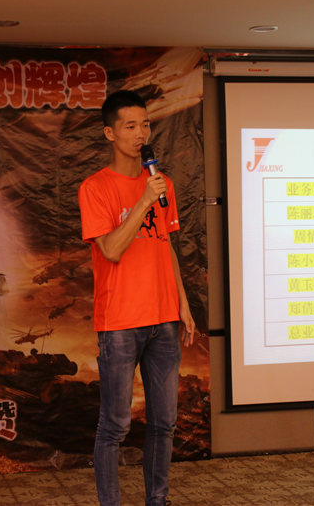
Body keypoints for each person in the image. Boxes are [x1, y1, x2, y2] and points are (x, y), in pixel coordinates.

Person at [78, 90, 196, 506]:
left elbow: (166, 245)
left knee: (164, 423)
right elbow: (110, 249)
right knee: (115, 425)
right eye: (130, 126)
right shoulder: (95, 188)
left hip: (164, 318)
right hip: (121, 322)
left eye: (145, 124)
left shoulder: (163, 185)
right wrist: (144, 201)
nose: (140, 133)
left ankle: (157, 500)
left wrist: (183, 303)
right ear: (110, 133)